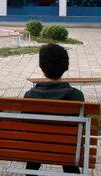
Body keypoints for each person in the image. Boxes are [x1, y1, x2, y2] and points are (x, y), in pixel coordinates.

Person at [24, 43, 84, 175]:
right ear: (65, 66)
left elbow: (26, 126)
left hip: (36, 149)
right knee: (68, 148)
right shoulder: (76, 96)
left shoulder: (29, 96)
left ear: (41, 66)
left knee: (36, 143)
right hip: (67, 150)